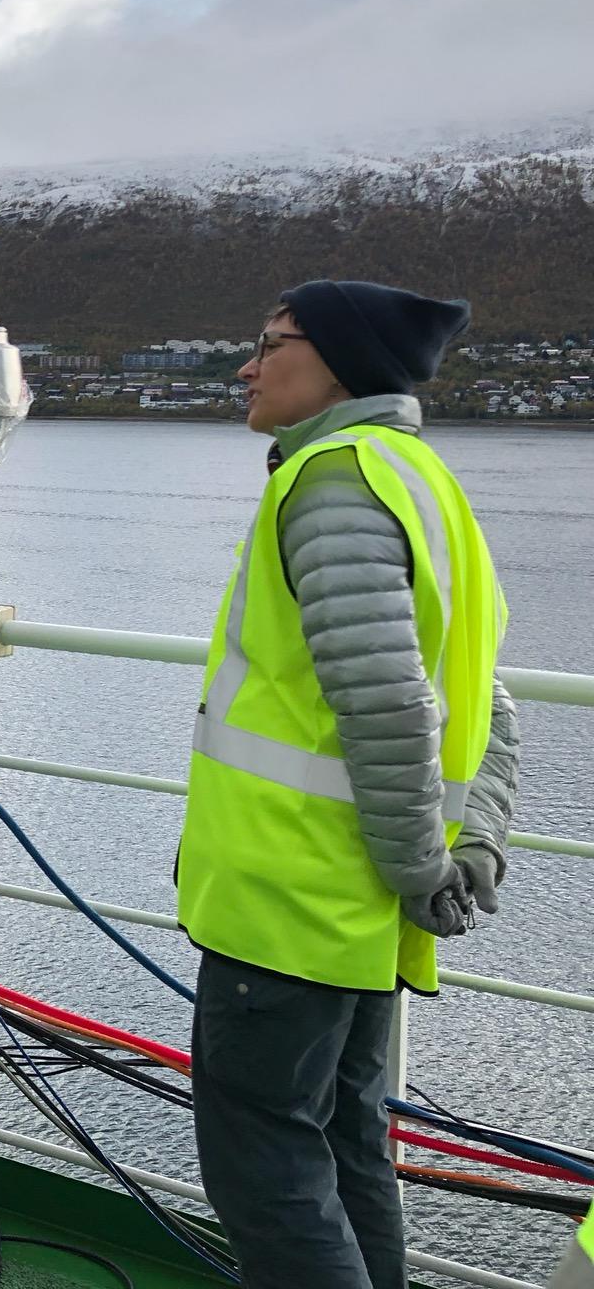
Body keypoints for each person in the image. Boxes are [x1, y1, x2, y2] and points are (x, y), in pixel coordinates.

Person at [177, 280, 521, 1288]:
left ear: (336, 362)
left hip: (292, 901)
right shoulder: (422, 480)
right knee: (343, 1141)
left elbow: (382, 700)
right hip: (363, 908)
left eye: (266, 343)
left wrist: (424, 864)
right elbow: (488, 703)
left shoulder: (331, 482)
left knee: (264, 1161)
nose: (245, 365)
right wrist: (466, 847)